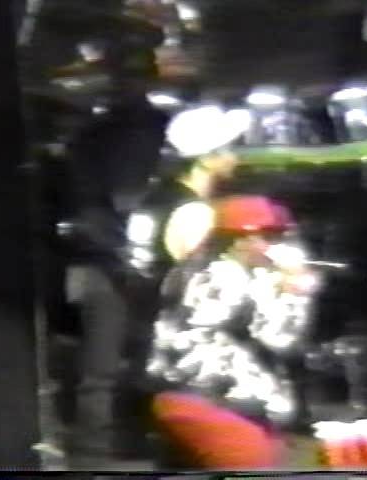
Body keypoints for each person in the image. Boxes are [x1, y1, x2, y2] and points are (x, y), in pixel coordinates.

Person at [66, 103, 251, 456]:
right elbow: (188, 278)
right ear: (206, 158)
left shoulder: (155, 195)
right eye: (228, 148)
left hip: (131, 289)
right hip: (159, 311)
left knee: (109, 373)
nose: (236, 156)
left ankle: (103, 441)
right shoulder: (194, 210)